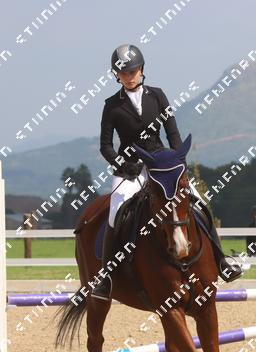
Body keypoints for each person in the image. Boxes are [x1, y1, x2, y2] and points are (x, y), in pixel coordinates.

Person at [94, 44, 241, 300]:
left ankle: (221, 260)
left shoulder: (158, 96)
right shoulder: (112, 105)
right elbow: (105, 146)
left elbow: (172, 132)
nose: (129, 77)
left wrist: (178, 160)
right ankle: (106, 277)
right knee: (116, 209)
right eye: (124, 73)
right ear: (117, 75)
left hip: (162, 163)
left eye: (133, 71)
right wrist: (123, 165)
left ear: (141, 70)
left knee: (198, 201)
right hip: (131, 169)